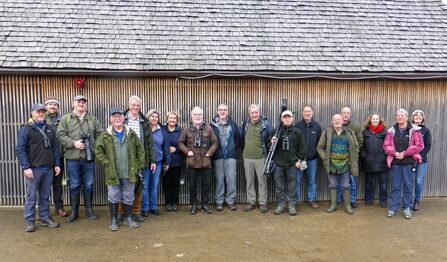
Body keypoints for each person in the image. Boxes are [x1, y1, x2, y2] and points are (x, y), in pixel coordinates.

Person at [95, 108, 145, 231]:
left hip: (129, 171)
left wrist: (138, 166)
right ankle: (114, 220)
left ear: (123, 119)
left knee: (129, 196)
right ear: (111, 119)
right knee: (113, 195)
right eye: (114, 117)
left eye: (119, 117)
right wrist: (106, 162)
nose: (117, 119)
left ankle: (128, 218)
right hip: (113, 172)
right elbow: (98, 151)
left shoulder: (131, 134)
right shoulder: (105, 135)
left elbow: (141, 151)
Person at [57, 95, 103, 223]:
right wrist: (73, 143)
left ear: (86, 105)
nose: (81, 104)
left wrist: (93, 147)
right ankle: (74, 212)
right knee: (75, 184)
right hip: (73, 159)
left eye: (83, 102)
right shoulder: (66, 119)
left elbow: (100, 134)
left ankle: (89, 211)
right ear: (73, 104)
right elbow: (60, 135)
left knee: (88, 185)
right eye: (78, 102)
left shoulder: (92, 119)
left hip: (89, 159)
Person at [16, 103, 61, 232]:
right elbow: (20, 149)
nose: (41, 114)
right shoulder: (26, 128)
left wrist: (57, 164)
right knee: (31, 196)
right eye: (38, 111)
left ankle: (45, 217)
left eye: (43, 111)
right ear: (32, 113)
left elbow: (55, 148)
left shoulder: (50, 128)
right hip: (33, 169)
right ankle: (30, 220)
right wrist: (26, 167)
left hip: (48, 169)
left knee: (45, 195)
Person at [119, 96, 156, 222]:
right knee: (122, 185)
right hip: (123, 158)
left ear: (140, 107)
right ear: (129, 105)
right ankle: (121, 212)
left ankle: (136, 211)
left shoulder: (144, 122)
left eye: (138, 106)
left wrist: (152, 160)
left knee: (139, 186)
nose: (135, 108)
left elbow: (150, 143)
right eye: (133, 105)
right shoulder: (121, 119)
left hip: (141, 159)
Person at [384, 109, 424, 219]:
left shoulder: (415, 130)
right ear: (396, 118)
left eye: (402, 115)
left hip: (409, 162)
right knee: (395, 186)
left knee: (408, 185)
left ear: (406, 117)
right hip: (396, 162)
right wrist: (394, 153)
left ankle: (407, 208)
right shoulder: (391, 131)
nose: (400, 117)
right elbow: (386, 145)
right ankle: (393, 207)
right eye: (398, 115)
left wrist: (406, 153)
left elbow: (420, 145)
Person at [178, 106, 218, 214]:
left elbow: (215, 142)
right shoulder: (186, 129)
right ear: (192, 116)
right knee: (192, 185)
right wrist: (187, 151)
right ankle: (193, 205)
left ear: (202, 115)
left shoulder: (208, 128)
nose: (197, 116)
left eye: (199, 114)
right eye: (195, 114)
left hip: (206, 162)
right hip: (192, 162)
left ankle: (205, 205)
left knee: (206, 185)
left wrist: (209, 153)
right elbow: (180, 143)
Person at [317, 114, 359, 214]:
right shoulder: (327, 132)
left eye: (339, 119)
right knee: (333, 185)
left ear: (342, 121)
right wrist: (325, 158)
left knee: (346, 185)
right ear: (332, 121)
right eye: (335, 120)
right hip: (331, 165)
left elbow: (356, 147)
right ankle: (333, 205)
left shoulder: (349, 132)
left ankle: (348, 206)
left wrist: (351, 159)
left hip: (345, 164)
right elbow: (320, 147)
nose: (337, 121)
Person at [271, 110, 307, 215]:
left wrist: (299, 160)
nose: (287, 119)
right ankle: (281, 205)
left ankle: (292, 205)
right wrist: (272, 141)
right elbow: (269, 149)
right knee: (279, 185)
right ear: (281, 119)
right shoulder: (276, 132)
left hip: (292, 164)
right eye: (284, 117)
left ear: (292, 119)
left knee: (292, 186)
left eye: (289, 117)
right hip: (278, 164)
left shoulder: (297, 132)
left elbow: (303, 148)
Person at [240, 104, 273, 213]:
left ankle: (262, 202)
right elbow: (241, 138)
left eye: (256, 112)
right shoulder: (245, 124)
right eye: (252, 112)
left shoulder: (265, 125)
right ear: (249, 114)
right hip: (247, 157)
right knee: (249, 181)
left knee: (262, 181)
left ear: (259, 113)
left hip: (260, 157)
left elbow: (271, 139)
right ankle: (251, 201)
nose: (254, 114)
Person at [210, 104, 240, 211]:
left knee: (231, 178)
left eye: (225, 110)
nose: (223, 112)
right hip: (218, 156)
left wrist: (232, 149)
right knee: (219, 178)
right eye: (220, 110)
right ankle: (219, 201)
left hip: (230, 156)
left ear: (227, 111)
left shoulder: (232, 124)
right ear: (217, 111)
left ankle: (230, 201)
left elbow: (237, 139)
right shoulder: (212, 125)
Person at [141, 109, 171, 216]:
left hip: (158, 162)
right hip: (145, 162)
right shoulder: (143, 129)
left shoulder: (162, 130)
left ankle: (153, 207)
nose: (154, 118)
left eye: (156, 117)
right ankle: (144, 208)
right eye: (152, 116)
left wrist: (167, 161)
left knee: (154, 186)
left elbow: (166, 147)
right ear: (148, 117)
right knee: (144, 186)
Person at [294, 105, 322, 209]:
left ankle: (312, 199)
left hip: (312, 160)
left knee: (312, 180)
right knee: (297, 180)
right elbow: (293, 143)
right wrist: (296, 158)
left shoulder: (317, 126)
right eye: (305, 111)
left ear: (312, 113)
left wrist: (316, 154)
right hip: (299, 160)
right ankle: (296, 200)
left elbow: (320, 143)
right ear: (302, 113)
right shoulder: (297, 126)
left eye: (309, 111)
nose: (307, 113)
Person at [44, 97, 67, 217]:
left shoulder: (63, 119)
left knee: (57, 184)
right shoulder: (40, 118)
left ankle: (59, 208)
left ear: (57, 107)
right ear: (46, 106)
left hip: (58, 156)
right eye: (50, 104)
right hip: (43, 157)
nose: (52, 106)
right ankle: (44, 210)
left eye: (55, 104)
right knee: (44, 184)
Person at [360, 113, 388, 207]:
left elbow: (389, 145)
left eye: (377, 119)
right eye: (373, 119)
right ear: (370, 120)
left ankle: (383, 201)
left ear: (380, 120)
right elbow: (360, 146)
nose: (375, 120)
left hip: (382, 162)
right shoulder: (365, 132)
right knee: (369, 183)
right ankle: (368, 200)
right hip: (369, 162)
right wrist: (364, 156)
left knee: (383, 183)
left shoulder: (385, 132)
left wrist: (385, 156)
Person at [338, 106, 362, 208]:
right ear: (341, 114)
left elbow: (360, 142)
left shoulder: (355, 126)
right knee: (338, 179)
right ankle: (338, 199)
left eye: (348, 113)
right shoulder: (336, 124)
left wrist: (353, 153)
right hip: (338, 158)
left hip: (351, 159)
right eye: (344, 112)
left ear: (350, 114)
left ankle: (352, 200)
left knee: (352, 180)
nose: (346, 114)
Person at [162, 111, 183, 212]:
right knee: (167, 182)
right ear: (167, 119)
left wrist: (176, 149)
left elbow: (184, 144)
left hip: (177, 160)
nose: (172, 120)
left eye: (174, 118)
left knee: (175, 183)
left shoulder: (180, 131)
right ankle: (168, 203)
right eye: (170, 118)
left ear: (177, 120)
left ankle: (175, 202)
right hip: (165, 161)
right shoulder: (162, 130)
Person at [411, 110, 431, 211]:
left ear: (423, 118)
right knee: (409, 181)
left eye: (420, 116)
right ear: (413, 117)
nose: (418, 117)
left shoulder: (426, 131)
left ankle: (417, 200)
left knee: (418, 181)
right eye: (416, 115)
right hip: (409, 160)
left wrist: (419, 155)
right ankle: (408, 200)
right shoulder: (409, 129)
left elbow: (428, 146)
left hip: (421, 160)